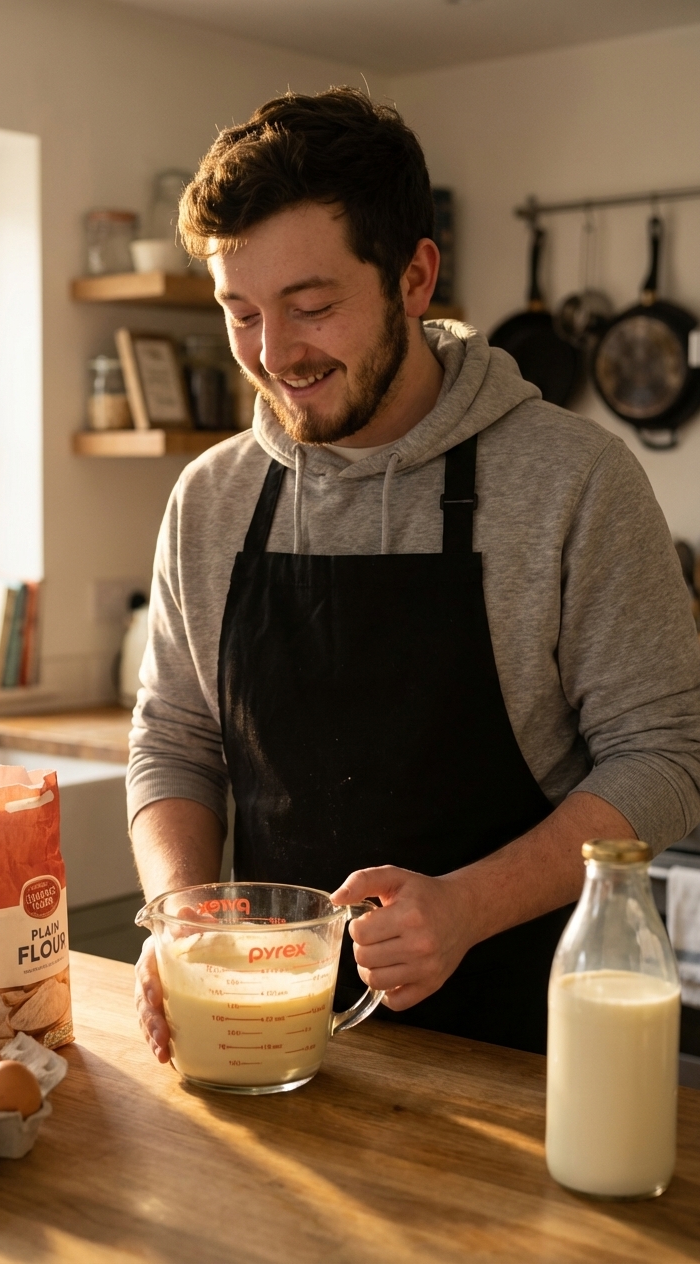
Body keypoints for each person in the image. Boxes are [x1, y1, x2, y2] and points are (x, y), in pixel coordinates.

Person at [129, 87, 700, 1059]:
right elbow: (175, 743)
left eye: (310, 307)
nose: (272, 355)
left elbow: (668, 758)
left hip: (530, 1054)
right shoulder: (212, 498)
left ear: (414, 277)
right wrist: (182, 915)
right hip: (276, 1042)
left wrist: (469, 905)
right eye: (241, 312)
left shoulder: (574, 482)